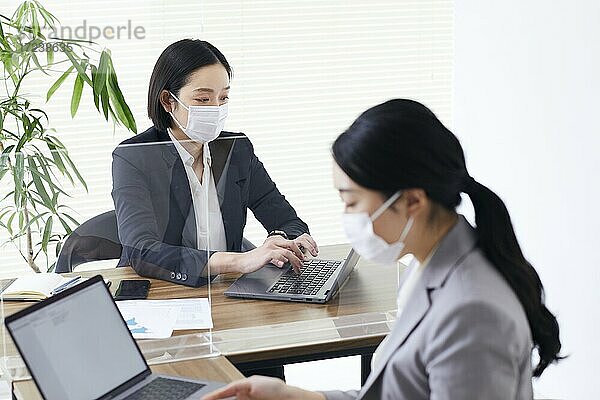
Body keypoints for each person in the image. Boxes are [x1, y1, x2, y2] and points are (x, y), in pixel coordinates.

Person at [202, 99, 562, 399]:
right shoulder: (428, 266)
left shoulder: (472, 311)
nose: (347, 217)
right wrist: (301, 396)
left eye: (353, 202)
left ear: (412, 202)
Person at [112, 39, 319, 289]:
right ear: (168, 101)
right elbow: (141, 251)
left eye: (223, 98)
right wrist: (239, 262)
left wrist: (280, 239)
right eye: (203, 99)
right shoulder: (134, 156)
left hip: (225, 291)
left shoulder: (237, 149)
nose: (216, 109)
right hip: (161, 290)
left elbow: (288, 220)